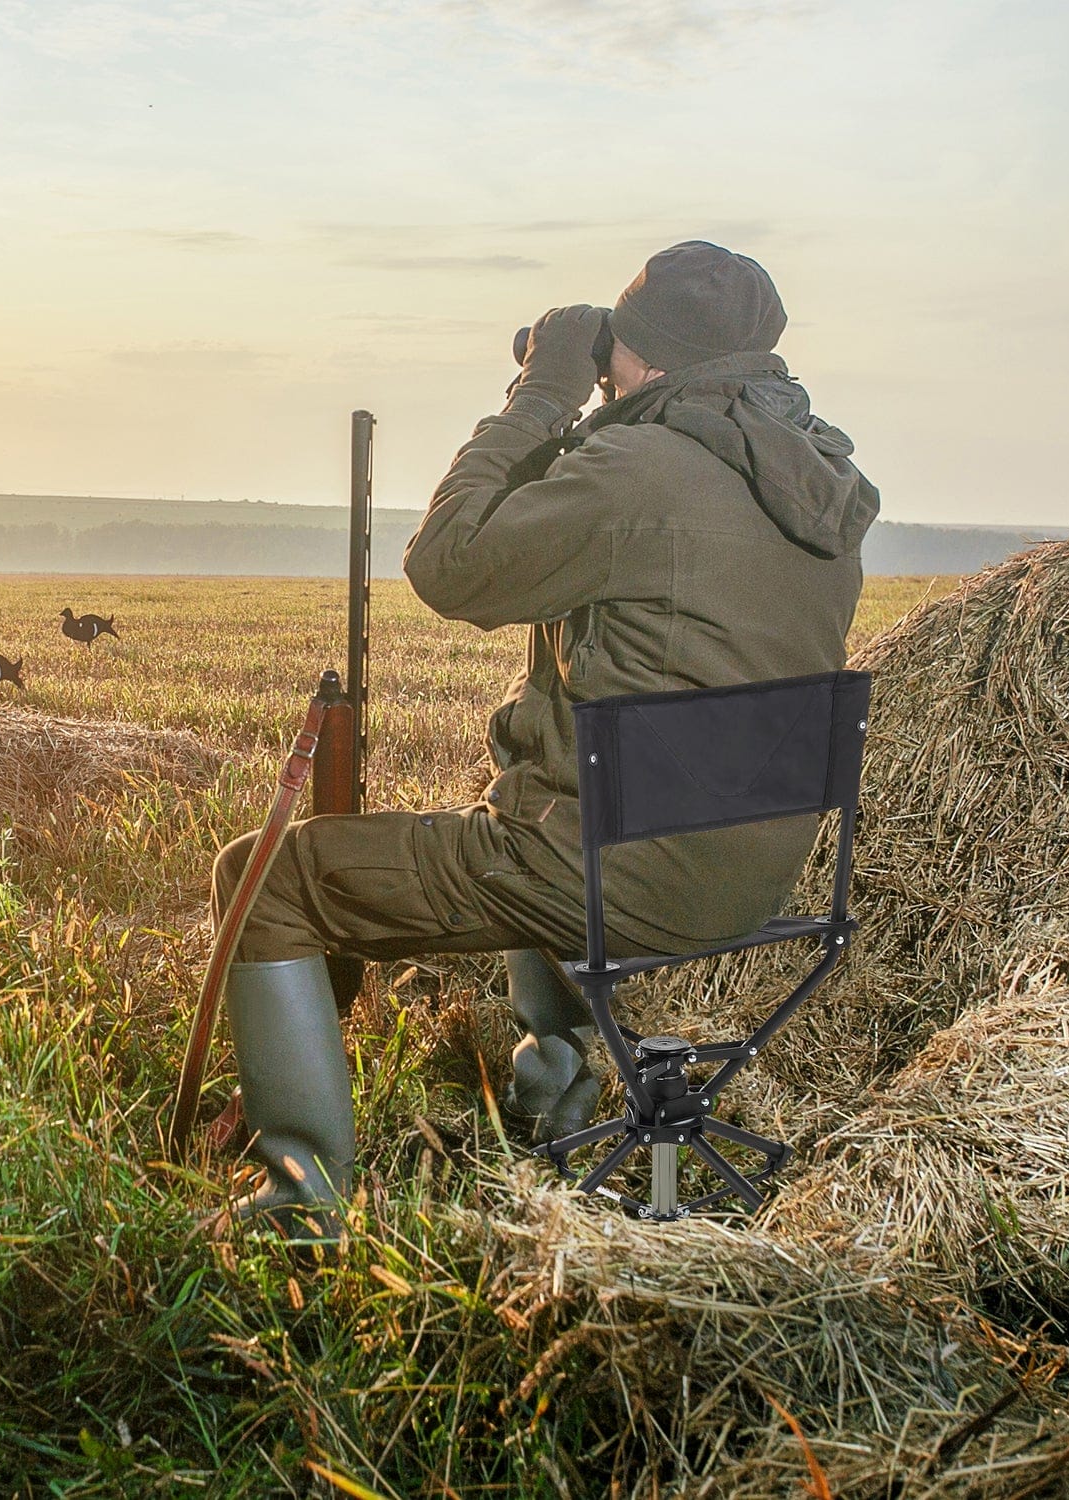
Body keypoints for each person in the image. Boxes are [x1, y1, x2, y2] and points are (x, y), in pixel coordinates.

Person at [210, 240, 879, 1236]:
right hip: (756, 874)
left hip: (622, 873)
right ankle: (552, 1113)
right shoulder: (817, 484)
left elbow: (448, 565)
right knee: (553, 812)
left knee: (264, 877)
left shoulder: (640, 468)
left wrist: (541, 395)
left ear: (644, 356)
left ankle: (298, 1206)